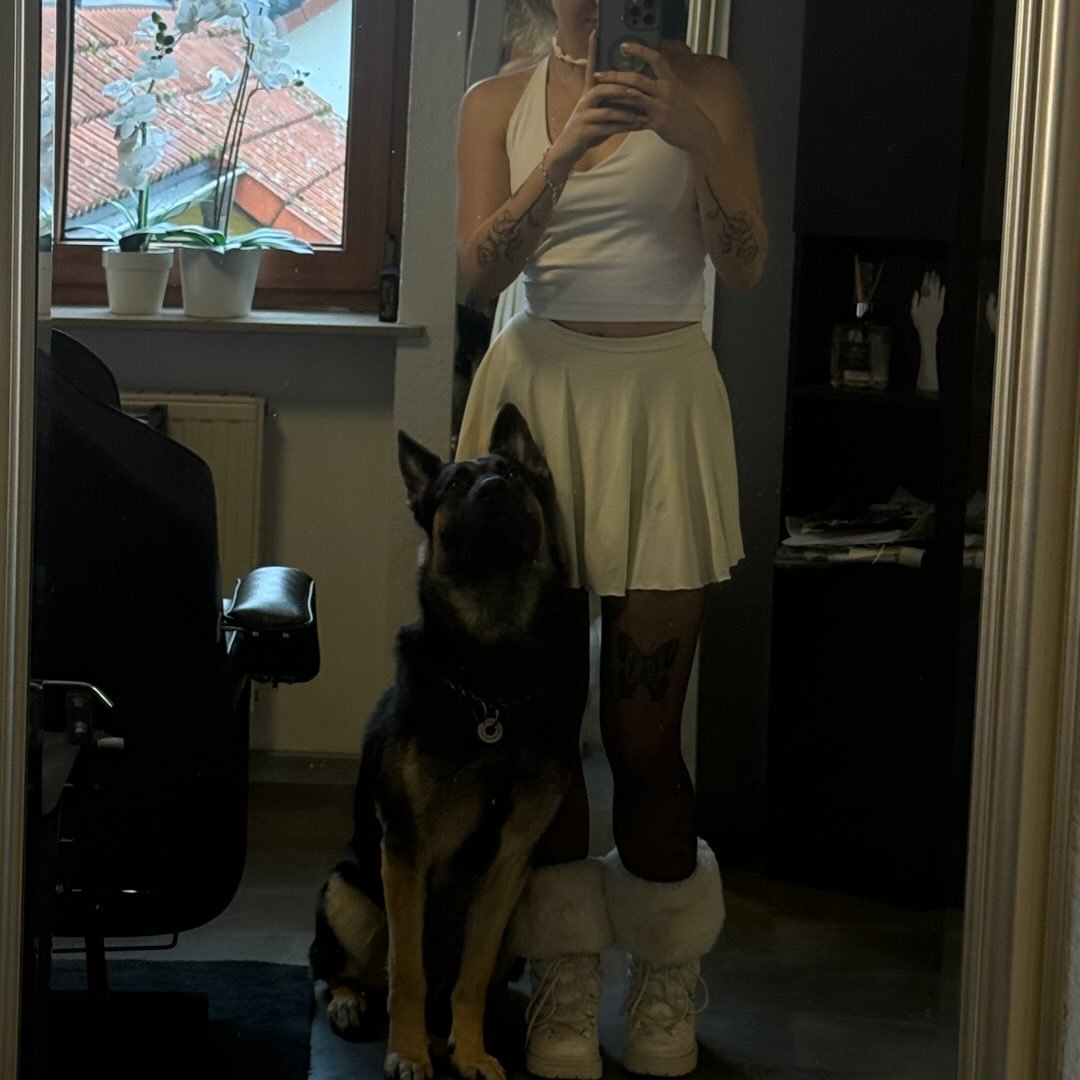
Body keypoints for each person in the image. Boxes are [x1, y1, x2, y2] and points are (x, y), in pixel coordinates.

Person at [454, 1, 766, 1076]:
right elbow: (481, 273)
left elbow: (743, 264)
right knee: (542, 735)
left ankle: (668, 975)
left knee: (643, 737)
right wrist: (562, 153)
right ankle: (564, 977)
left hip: (665, 402)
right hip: (536, 404)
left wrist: (695, 136)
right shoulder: (495, 102)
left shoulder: (709, 85)